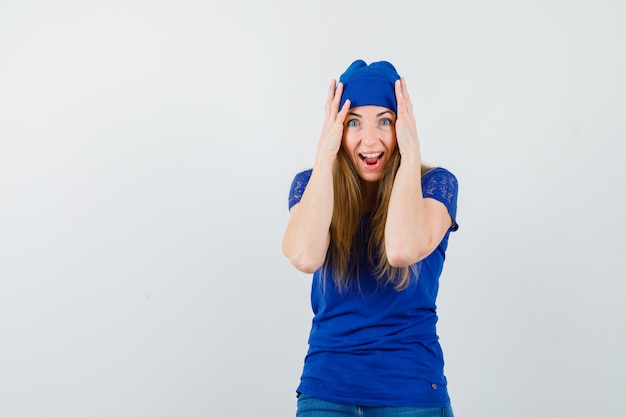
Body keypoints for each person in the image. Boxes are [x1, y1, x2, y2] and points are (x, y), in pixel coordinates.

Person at [282, 59, 459, 417]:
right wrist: (324, 153)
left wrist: (410, 156)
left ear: (402, 125)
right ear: (336, 128)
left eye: (385, 121)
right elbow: (304, 256)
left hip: (410, 393)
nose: (370, 139)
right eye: (352, 123)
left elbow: (401, 249)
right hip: (326, 391)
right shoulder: (312, 185)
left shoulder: (435, 186)